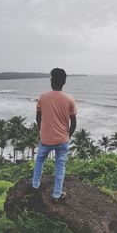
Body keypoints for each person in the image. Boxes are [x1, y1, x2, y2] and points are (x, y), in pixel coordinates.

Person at [32, 68, 77, 202]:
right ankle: (57, 194)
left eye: (51, 78)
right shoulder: (69, 99)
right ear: (64, 82)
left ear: (52, 81)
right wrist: (68, 136)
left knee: (40, 160)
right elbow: (73, 123)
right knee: (60, 166)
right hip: (63, 140)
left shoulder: (43, 97)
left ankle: (35, 185)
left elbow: (38, 118)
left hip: (46, 139)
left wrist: (42, 131)